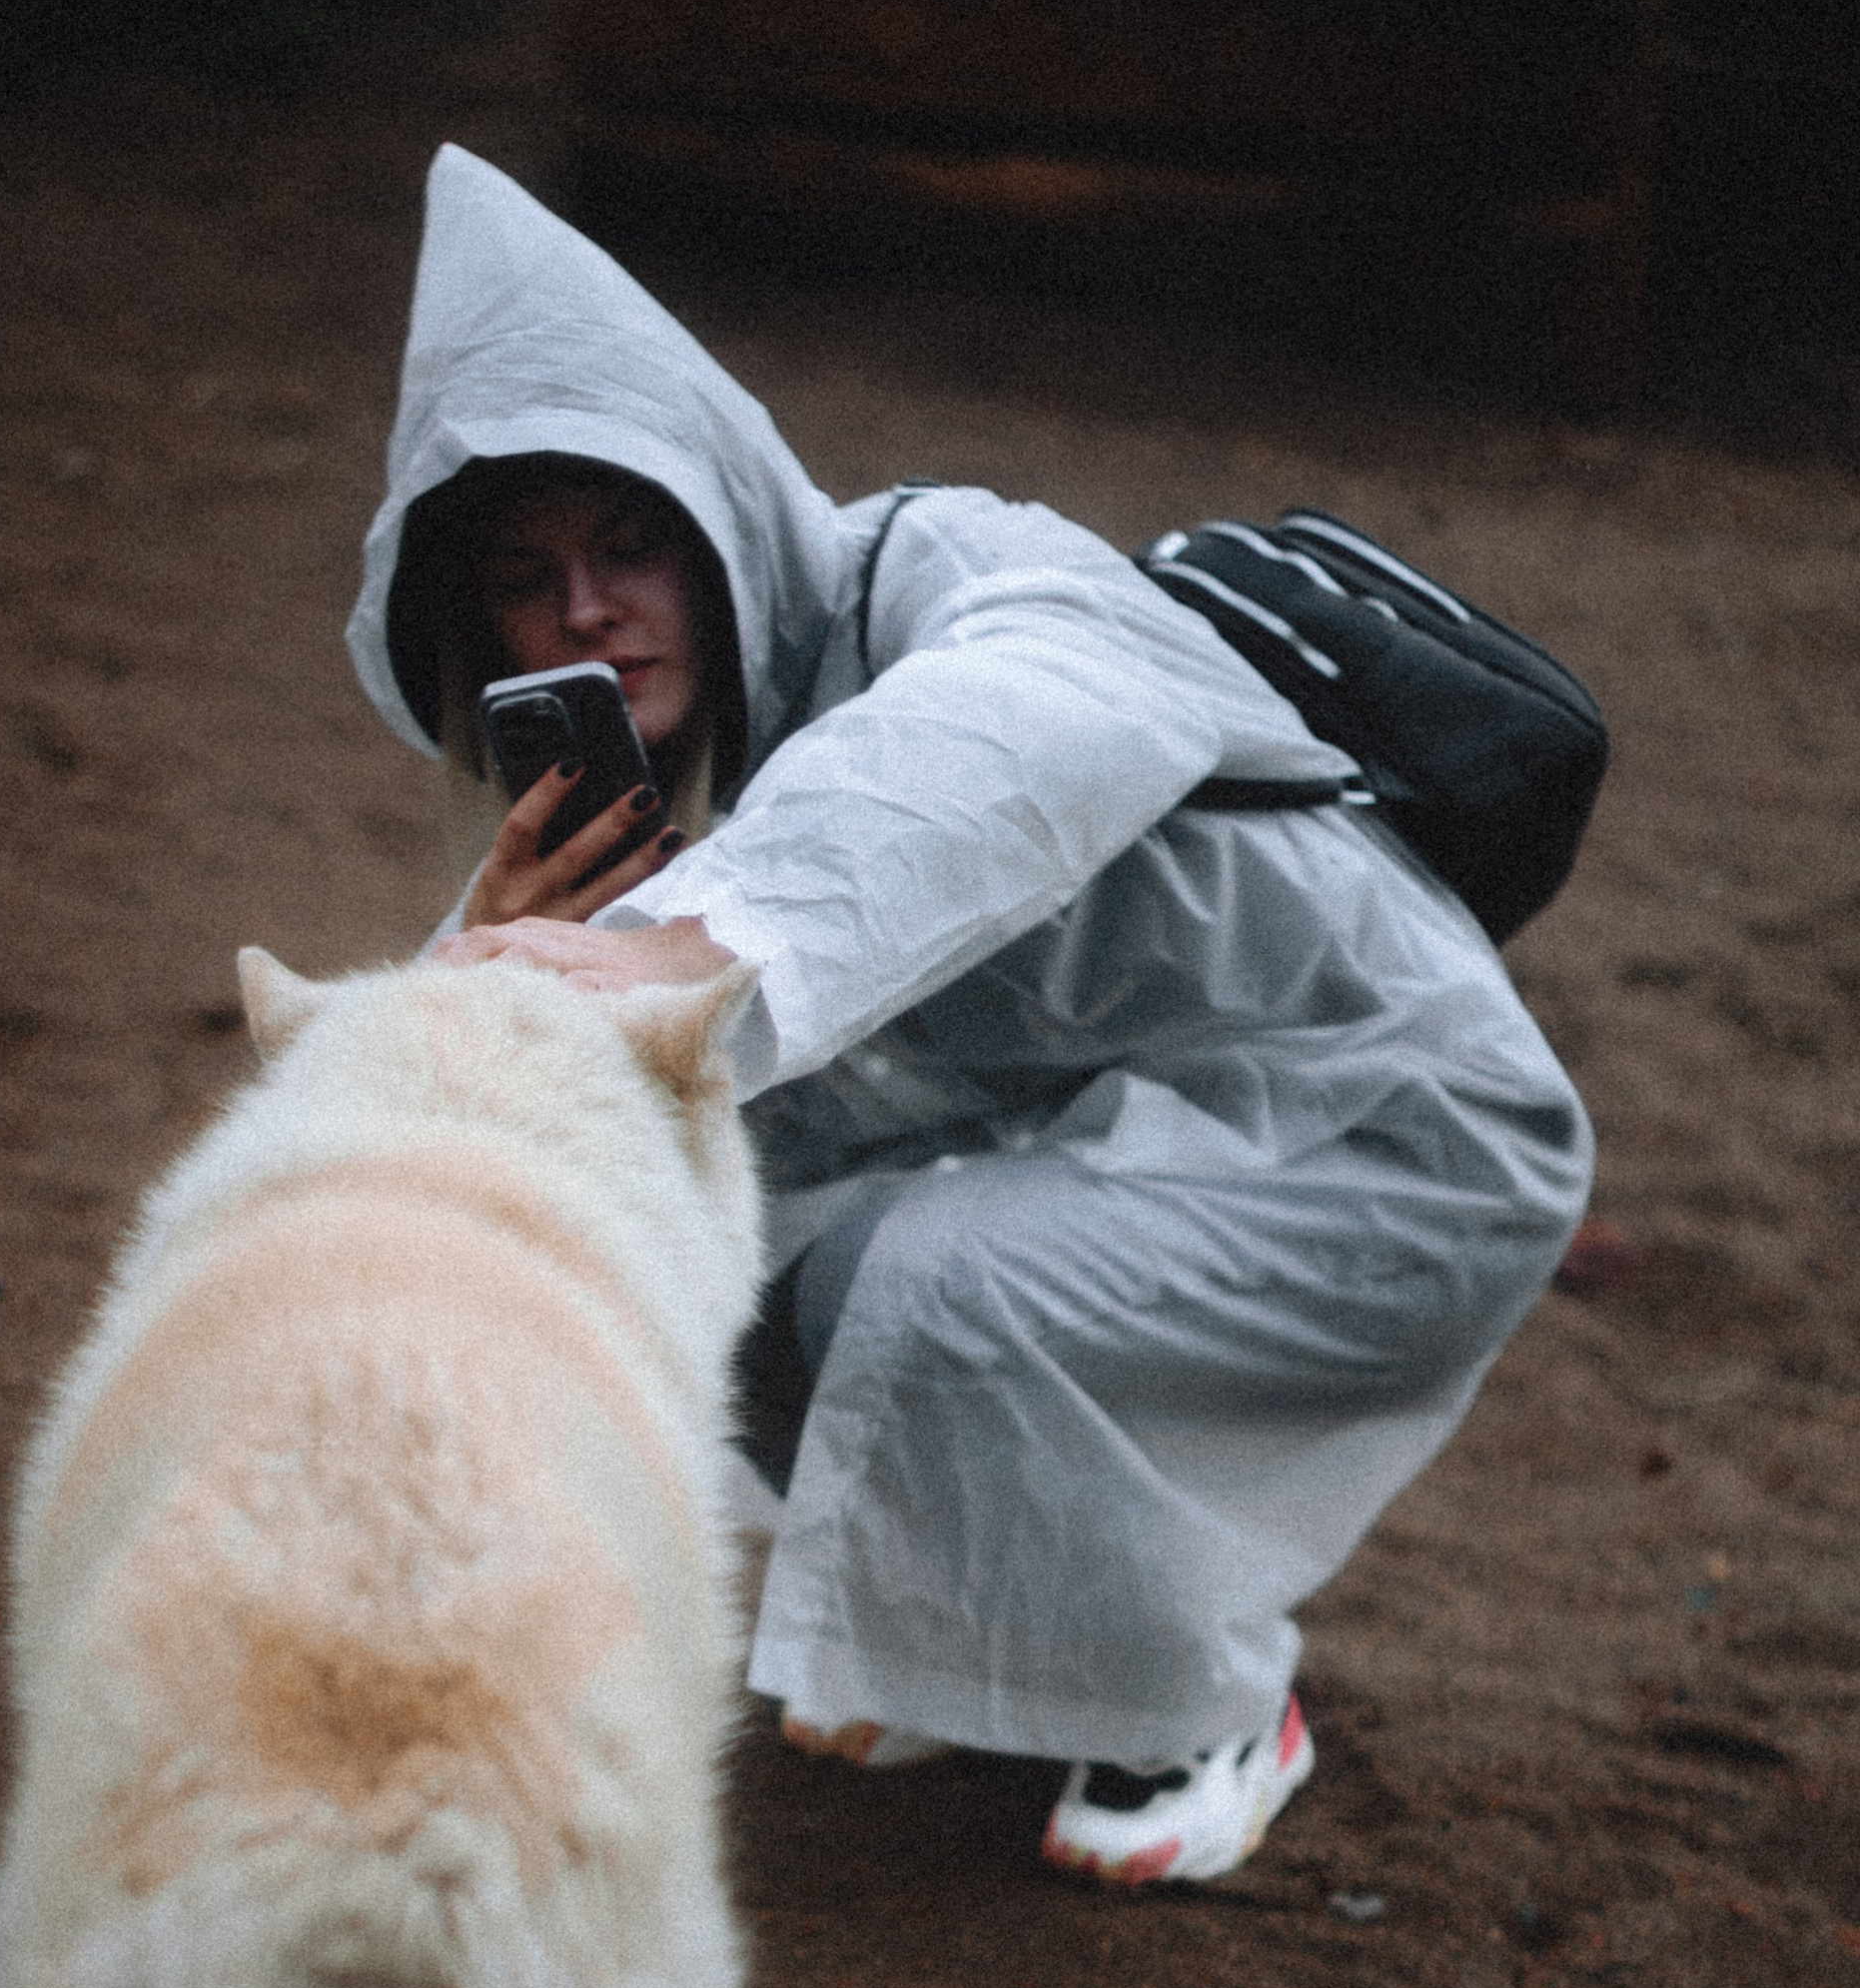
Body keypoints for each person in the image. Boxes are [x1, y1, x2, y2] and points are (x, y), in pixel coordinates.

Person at [345, 148, 1593, 1884]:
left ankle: (1204, 1700)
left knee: (929, 1277)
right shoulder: (677, 787)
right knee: (720, 1245)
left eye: (631, 546)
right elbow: (529, 1136)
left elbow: (1005, 729)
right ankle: (977, 1650)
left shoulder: (960, 575)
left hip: (1396, 1152)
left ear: (716, 525)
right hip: (1135, 1141)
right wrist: (488, 970)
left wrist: (687, 944)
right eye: (523, 576)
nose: (586, 614)